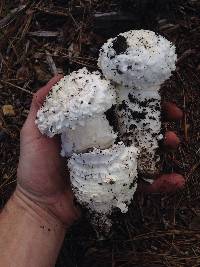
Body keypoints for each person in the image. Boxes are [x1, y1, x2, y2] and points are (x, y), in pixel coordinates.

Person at [0, 75, 185, 267]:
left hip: (113, 168)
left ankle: (106, 218)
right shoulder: (68, 104)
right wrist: (35, 204)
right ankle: (102, 219)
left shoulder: (91, 90)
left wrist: (34, 205)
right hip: (86, 176)